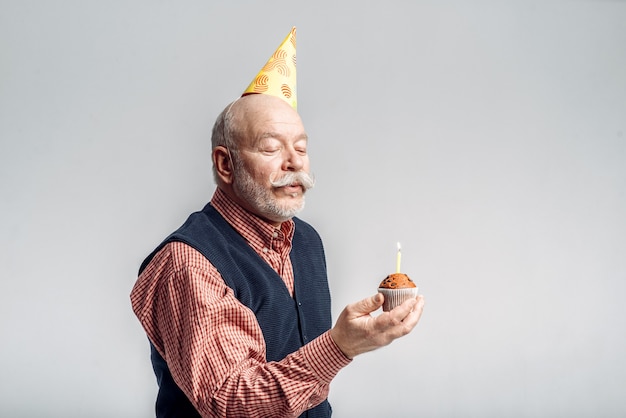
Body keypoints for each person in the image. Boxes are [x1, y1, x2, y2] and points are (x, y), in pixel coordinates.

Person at [130, 28, 425, 418]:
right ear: (225, 164)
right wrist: (341, 346)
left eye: (301, 148)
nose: (295, 163)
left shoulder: (306, 241)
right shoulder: (189, 262)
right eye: (271, 148)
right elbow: (228, 401)